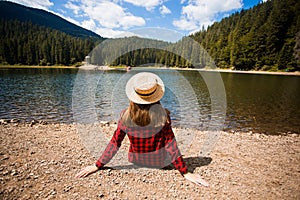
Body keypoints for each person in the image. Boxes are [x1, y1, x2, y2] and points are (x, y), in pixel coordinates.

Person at [75, 72, 209, 187]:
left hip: (135, 160)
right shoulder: (163, 117)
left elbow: (115, 143)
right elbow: (171, 146)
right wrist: (185, 172)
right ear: (156, 97)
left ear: (133, 97)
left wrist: (97, 165)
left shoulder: (125, 116)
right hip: (159, 163)